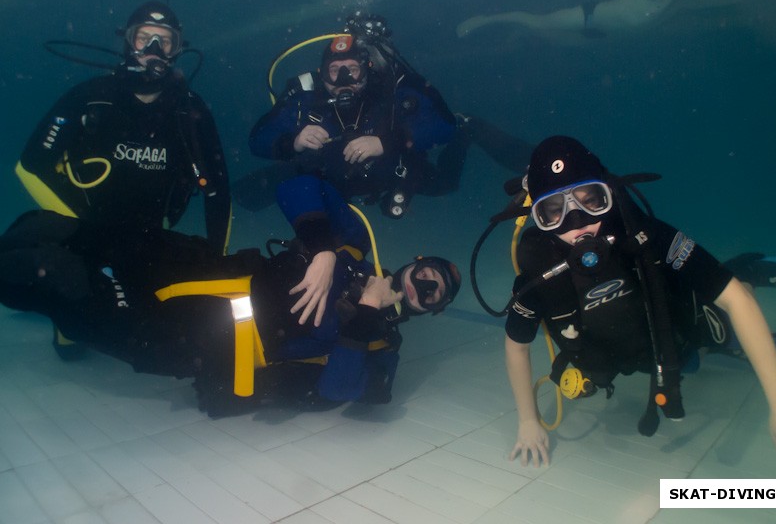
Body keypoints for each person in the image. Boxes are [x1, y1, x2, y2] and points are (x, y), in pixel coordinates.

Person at [0, 175, 460, 416]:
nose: (423, 285)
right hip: (204, 266)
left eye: (434, 294)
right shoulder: (356, 243)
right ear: (414, 262)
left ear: (433, 311)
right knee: (57, 230)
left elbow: (340, 390)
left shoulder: (383, 348)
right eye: (428, 273)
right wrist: (323, 248)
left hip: (200, 339)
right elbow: (298, 186)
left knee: (57, 282)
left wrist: (365, 311)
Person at [503, 136, 776, 467]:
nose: (578, 223)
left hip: (679, 327)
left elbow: (736, 300)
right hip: (640, 354)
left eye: (592, 201)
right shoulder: (539, 273)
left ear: (609, 194)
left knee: (726, 322)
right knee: (694, 360)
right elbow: (517, 345)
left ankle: (752, 270)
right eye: (553, 212)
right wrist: (528, 421)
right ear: (537, 217)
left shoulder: (644, 237)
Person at [16, 0, 231, 254]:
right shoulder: (90, 97)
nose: (154, 48)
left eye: (164, 41)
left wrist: (218, 256)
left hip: (151, 240)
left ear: (176, 49)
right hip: (80, 233)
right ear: (128, 42)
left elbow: (217, 192)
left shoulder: (191, 111)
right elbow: (31, 167)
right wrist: (79, 225)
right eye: (144, 38)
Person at [245, 15, 466, 218]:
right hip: (331, 179)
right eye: (335, 70)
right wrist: (292, 143)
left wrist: (387, 142)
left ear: (367, 70)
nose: (344, 79)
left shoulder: (389, 89)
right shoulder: (306, 95)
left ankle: (472, 128)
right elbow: (257, 140)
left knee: (447, 184)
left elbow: (444, 125)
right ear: (321, 73)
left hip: (393, 173)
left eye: (352, 69)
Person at [457, 0, 773, 43]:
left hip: (603, 34)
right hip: (589, 16)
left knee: (545, 36)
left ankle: (515, 34)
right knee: (537, 23)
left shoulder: (674, 2)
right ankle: (486, 21)